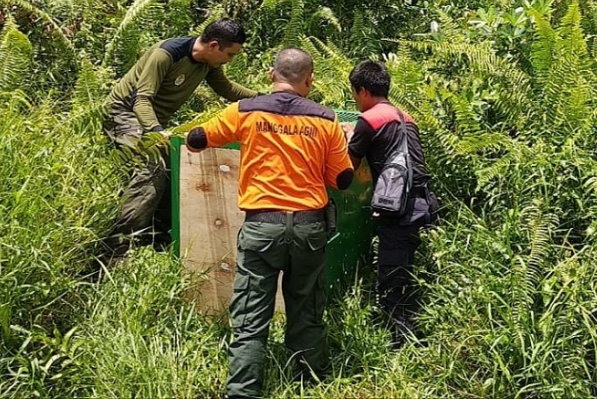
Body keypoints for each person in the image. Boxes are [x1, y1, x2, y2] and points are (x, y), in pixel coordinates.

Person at [185, 48, 353, 399]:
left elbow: (197, 139)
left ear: (270, 75)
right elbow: (342, 179)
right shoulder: (326, 119)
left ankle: (243, 391)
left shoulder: (245, 111)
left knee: (250, 315)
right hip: (309, 228)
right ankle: (310, 382)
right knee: (306, 307)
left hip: (261, 228)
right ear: (309, 81)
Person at [103, 19, 258, 246]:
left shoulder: (209, 63)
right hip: (124, 114)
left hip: (152, 119)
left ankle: (159, 236)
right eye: (230, 55)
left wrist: (267, 99)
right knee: (153, 164)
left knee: (176, 164)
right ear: (214, 46)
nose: (229, 60)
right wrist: (157, 133)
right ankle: (120, 242)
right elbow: (141, 100)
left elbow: (228, 89)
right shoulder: (166, 55)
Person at [344, 60, 437, 347]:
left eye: (354, 94)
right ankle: (412, 324)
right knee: (408, 267)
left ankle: (401, 339)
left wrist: (347, 140)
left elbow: (348, 167)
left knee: (392, 272)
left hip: (398, 208)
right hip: (423, 202)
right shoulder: (407, 117)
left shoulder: (369, 120)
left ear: (362, 91)